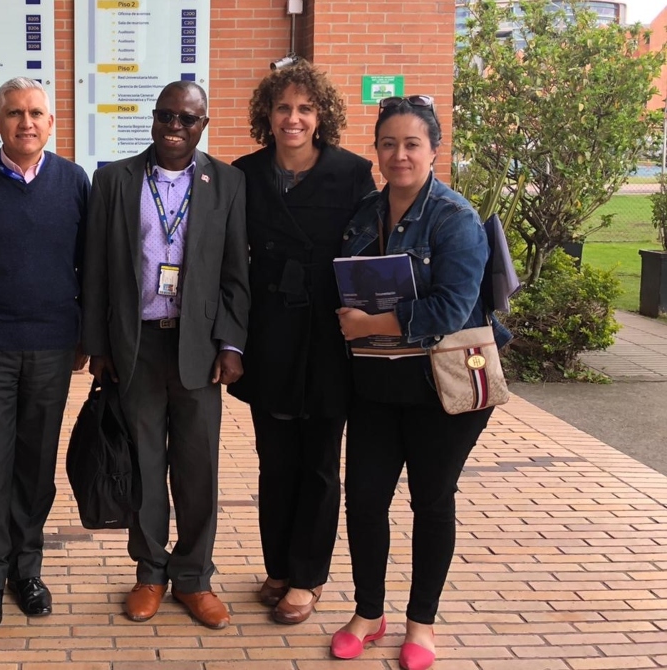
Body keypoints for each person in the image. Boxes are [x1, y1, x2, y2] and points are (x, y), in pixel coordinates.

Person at [330, 96, 510, 670]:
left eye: (412, 144)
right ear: (376, 150)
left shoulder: (455, 219)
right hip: (376, 386)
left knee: (432, 502)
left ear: (434, 148)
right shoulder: (363, 215)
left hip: (441, 387)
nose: (400, 155)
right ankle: (368, 612)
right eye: (389, 143)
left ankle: (421, 623)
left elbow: (455, 308)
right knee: (363, 500)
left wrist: (371, 322)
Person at [82, 81, 250, 630]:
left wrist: (230, 343)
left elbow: (235, 274)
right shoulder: (113, 181)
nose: (175, 126)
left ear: (204, 125)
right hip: (137, 348)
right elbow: (96, 270)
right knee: (145, 467)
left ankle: (195, 579)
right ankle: (151, 573)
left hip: (198, 349)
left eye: (188, 118)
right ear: (153, 119)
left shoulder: (226, 182)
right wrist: (99, 346)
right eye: (166, 116)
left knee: (197, 469)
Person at [227, 61, 375, 625]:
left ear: (321, 117)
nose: (294, 118)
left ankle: (308, 576)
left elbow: (366, 255)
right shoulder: (243, 174)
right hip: (269, 336)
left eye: (305, 109)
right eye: (283, 107)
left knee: (318, 464)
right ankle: (280, 567)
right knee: (274, 461)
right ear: (268, 114)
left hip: (330, 337)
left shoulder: (353, 173)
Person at [0, 76, 90, 631]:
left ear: (51, 123)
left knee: (36, 467)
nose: (25, 122)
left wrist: (86, 338)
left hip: (53, 346)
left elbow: (89, 265)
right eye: (14, 113)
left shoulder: (74, 181)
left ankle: (27, 569)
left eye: (35, 113)